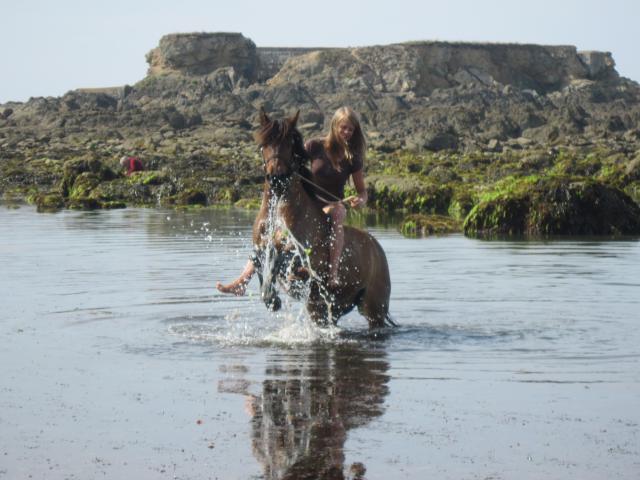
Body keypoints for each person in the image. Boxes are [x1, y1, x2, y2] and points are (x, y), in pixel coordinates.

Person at [216, 106, 368, 295]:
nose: (346, 132)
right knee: (269, 231)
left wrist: (360, 200)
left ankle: (333, 272)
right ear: (334, 126)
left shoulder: (352, 158)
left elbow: (362, 192)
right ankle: (243, 280)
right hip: (307, 200)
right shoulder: (315, 146)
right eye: (343, 127)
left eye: (350, 130)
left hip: (330, 205)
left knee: (339, 212)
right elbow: (291, 158)